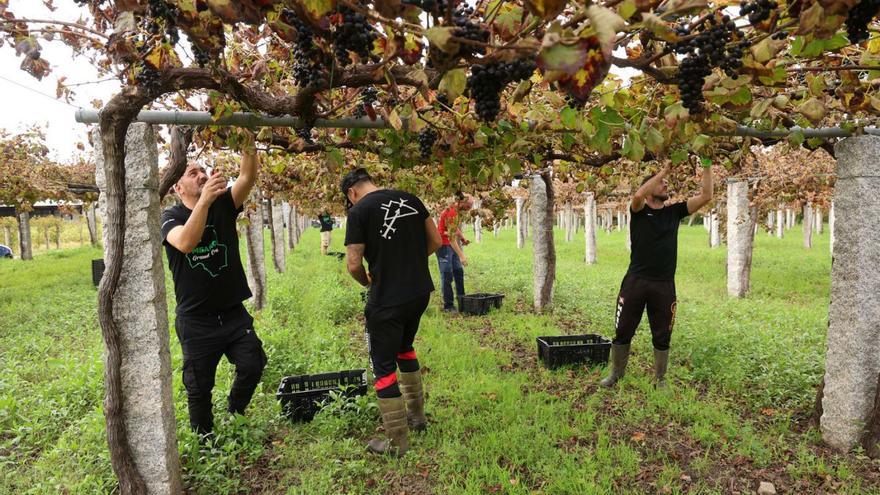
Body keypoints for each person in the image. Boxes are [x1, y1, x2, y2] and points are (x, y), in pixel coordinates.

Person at [160, 137, 266, 438]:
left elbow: (247, 177)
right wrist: (204, 200)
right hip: (196, 321)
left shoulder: (224, 205)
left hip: (233, 314)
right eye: (193, 173)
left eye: (203, 170)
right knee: (198, 386)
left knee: (252, 363)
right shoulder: (170, 217)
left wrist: (248, 136)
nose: (202, 175)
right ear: (177, 188)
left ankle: (235, 409)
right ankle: (204, 440)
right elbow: (185, 242)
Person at [342, 168, 442, 456]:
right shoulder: (411, 199)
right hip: (419, 293)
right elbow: (435, 241)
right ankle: (417, 417)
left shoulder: (359, 211)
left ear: (352, 192)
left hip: (387, 299)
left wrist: (366, 280)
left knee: (383, 365)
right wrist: (407, 262)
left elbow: (353, 263)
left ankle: (397, 443)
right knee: (405, 348)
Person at [600, 161, 713, 389]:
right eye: (660, 183)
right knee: (623, 330)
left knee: (662, 334)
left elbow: (707, 195)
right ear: (649, 188)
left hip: (663, 285)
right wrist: (662, 171)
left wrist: (707, 164)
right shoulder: (640, 211)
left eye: (665, 181)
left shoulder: (674, 212)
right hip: (636, 282)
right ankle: (616, 374)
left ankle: (660, 379)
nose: (665, 184)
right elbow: (637, 195)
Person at [436, 191, 472, 312]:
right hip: (443, 246)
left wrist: (463, 238)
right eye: (468, 206)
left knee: (458, 271)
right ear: (461, 202)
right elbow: (451, 237)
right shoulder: (451, 212)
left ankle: (462, 301)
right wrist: (462, 256)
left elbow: (454, 229)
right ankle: (448, 305)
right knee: (447, 274)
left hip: (451, 245)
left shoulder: (455, 212)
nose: (469, 209)